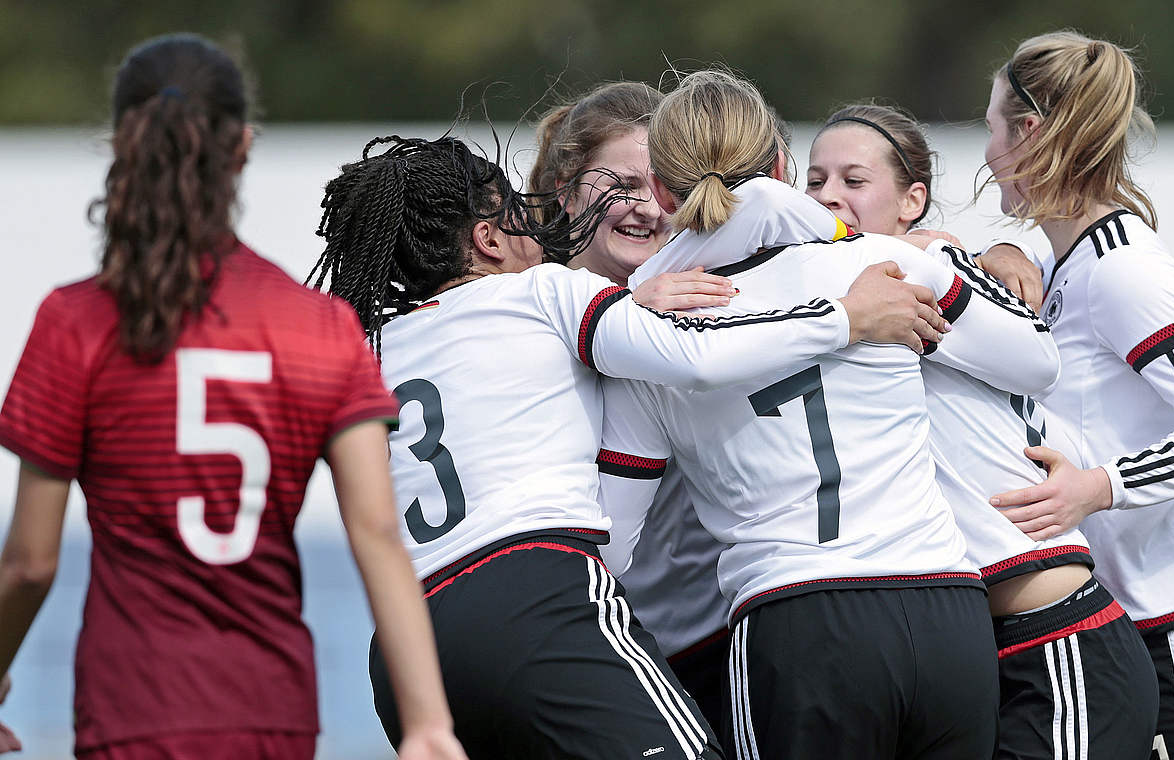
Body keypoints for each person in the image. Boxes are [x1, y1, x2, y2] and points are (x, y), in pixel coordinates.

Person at [310, 132, 943, 760]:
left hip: (402, 649)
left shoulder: (372, 353)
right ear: (487, 240)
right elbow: (692, 356)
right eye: (519, 217)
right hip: (530, 594)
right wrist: (846, 317)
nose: (541, 232)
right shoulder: (543, 290)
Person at [0, 34, 465, 760]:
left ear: (121, 143)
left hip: (132, 708)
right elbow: (375, 532)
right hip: (271, 710)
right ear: (242, 146)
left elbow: (30, 563)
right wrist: (429, 723)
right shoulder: (318, 327)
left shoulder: (75, 323)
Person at [599, 69, 1064, 760]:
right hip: (946, 611)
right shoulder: (884, 264)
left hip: (801, 620)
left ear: (663, 192)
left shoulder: (651, 336)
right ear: (785, 169)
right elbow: (1036, 363)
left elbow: (613, 543)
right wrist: (957, 257)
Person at [806, 102, 1158, 760]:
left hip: (1062, 644)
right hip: (981, 645)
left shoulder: (925, 270)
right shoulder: (844, 291)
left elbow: (1037, 357)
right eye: (815, 180)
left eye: (854, 181)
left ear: (913, 200)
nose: (829, 196)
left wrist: (952, 252)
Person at [978, 31, 1174, 760]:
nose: (984, 153)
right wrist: (1002, 252)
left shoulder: (1123, 269)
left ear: (1029, 133)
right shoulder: (1059, 255)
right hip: (1123, 625)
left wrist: (1099, 488)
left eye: (990, 127)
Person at [529, 80, 734, 727]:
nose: (644, 207)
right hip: (574, 649)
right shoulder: (521, 310)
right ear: (565, 190)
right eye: (619, 185)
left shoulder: (717, 299)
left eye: (659, 186)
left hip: (706, 643)